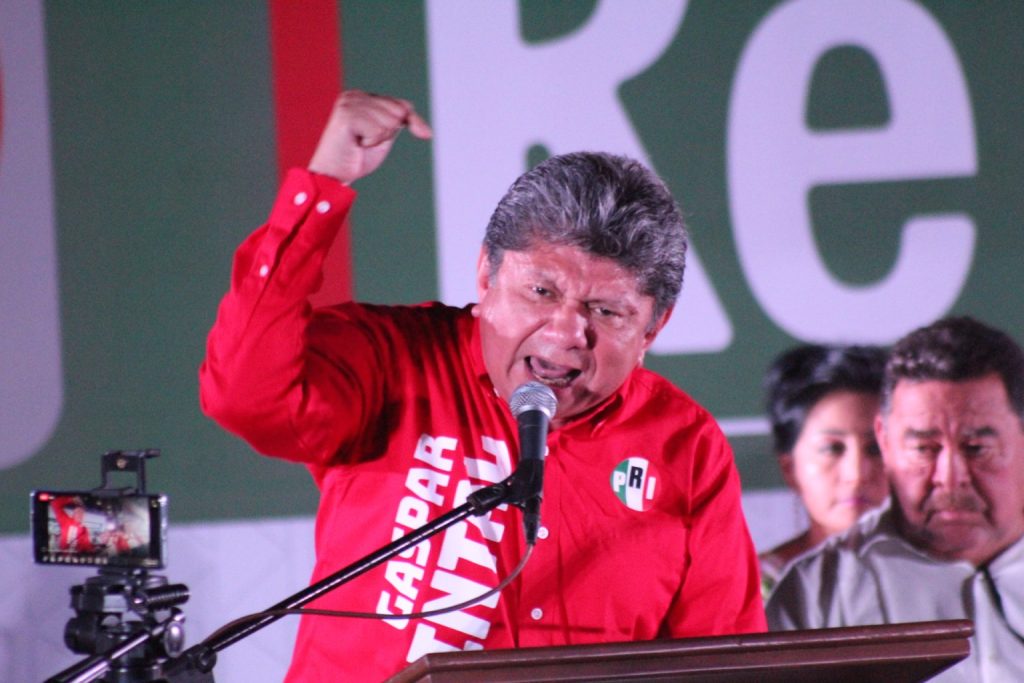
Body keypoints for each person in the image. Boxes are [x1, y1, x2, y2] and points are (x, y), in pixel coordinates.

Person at [199, 90, 765, 681]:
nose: (566, 333)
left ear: (653, 328)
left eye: (605, 311)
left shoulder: (685, 447)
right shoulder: (394, 358)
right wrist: (323, 184)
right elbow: (243, 396)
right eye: (541, 292)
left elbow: (726, 663)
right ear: (485, 276)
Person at [767, 316, 1024, 682]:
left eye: (976, 448)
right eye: (923, 449)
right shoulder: (819, 591)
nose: (950, 478)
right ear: (885, 441)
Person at [759, 344, 888, 598]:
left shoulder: (945, 577)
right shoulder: (752, 589)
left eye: (875, 448)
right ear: (790, 468)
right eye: (832, 449)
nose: (856, 474)